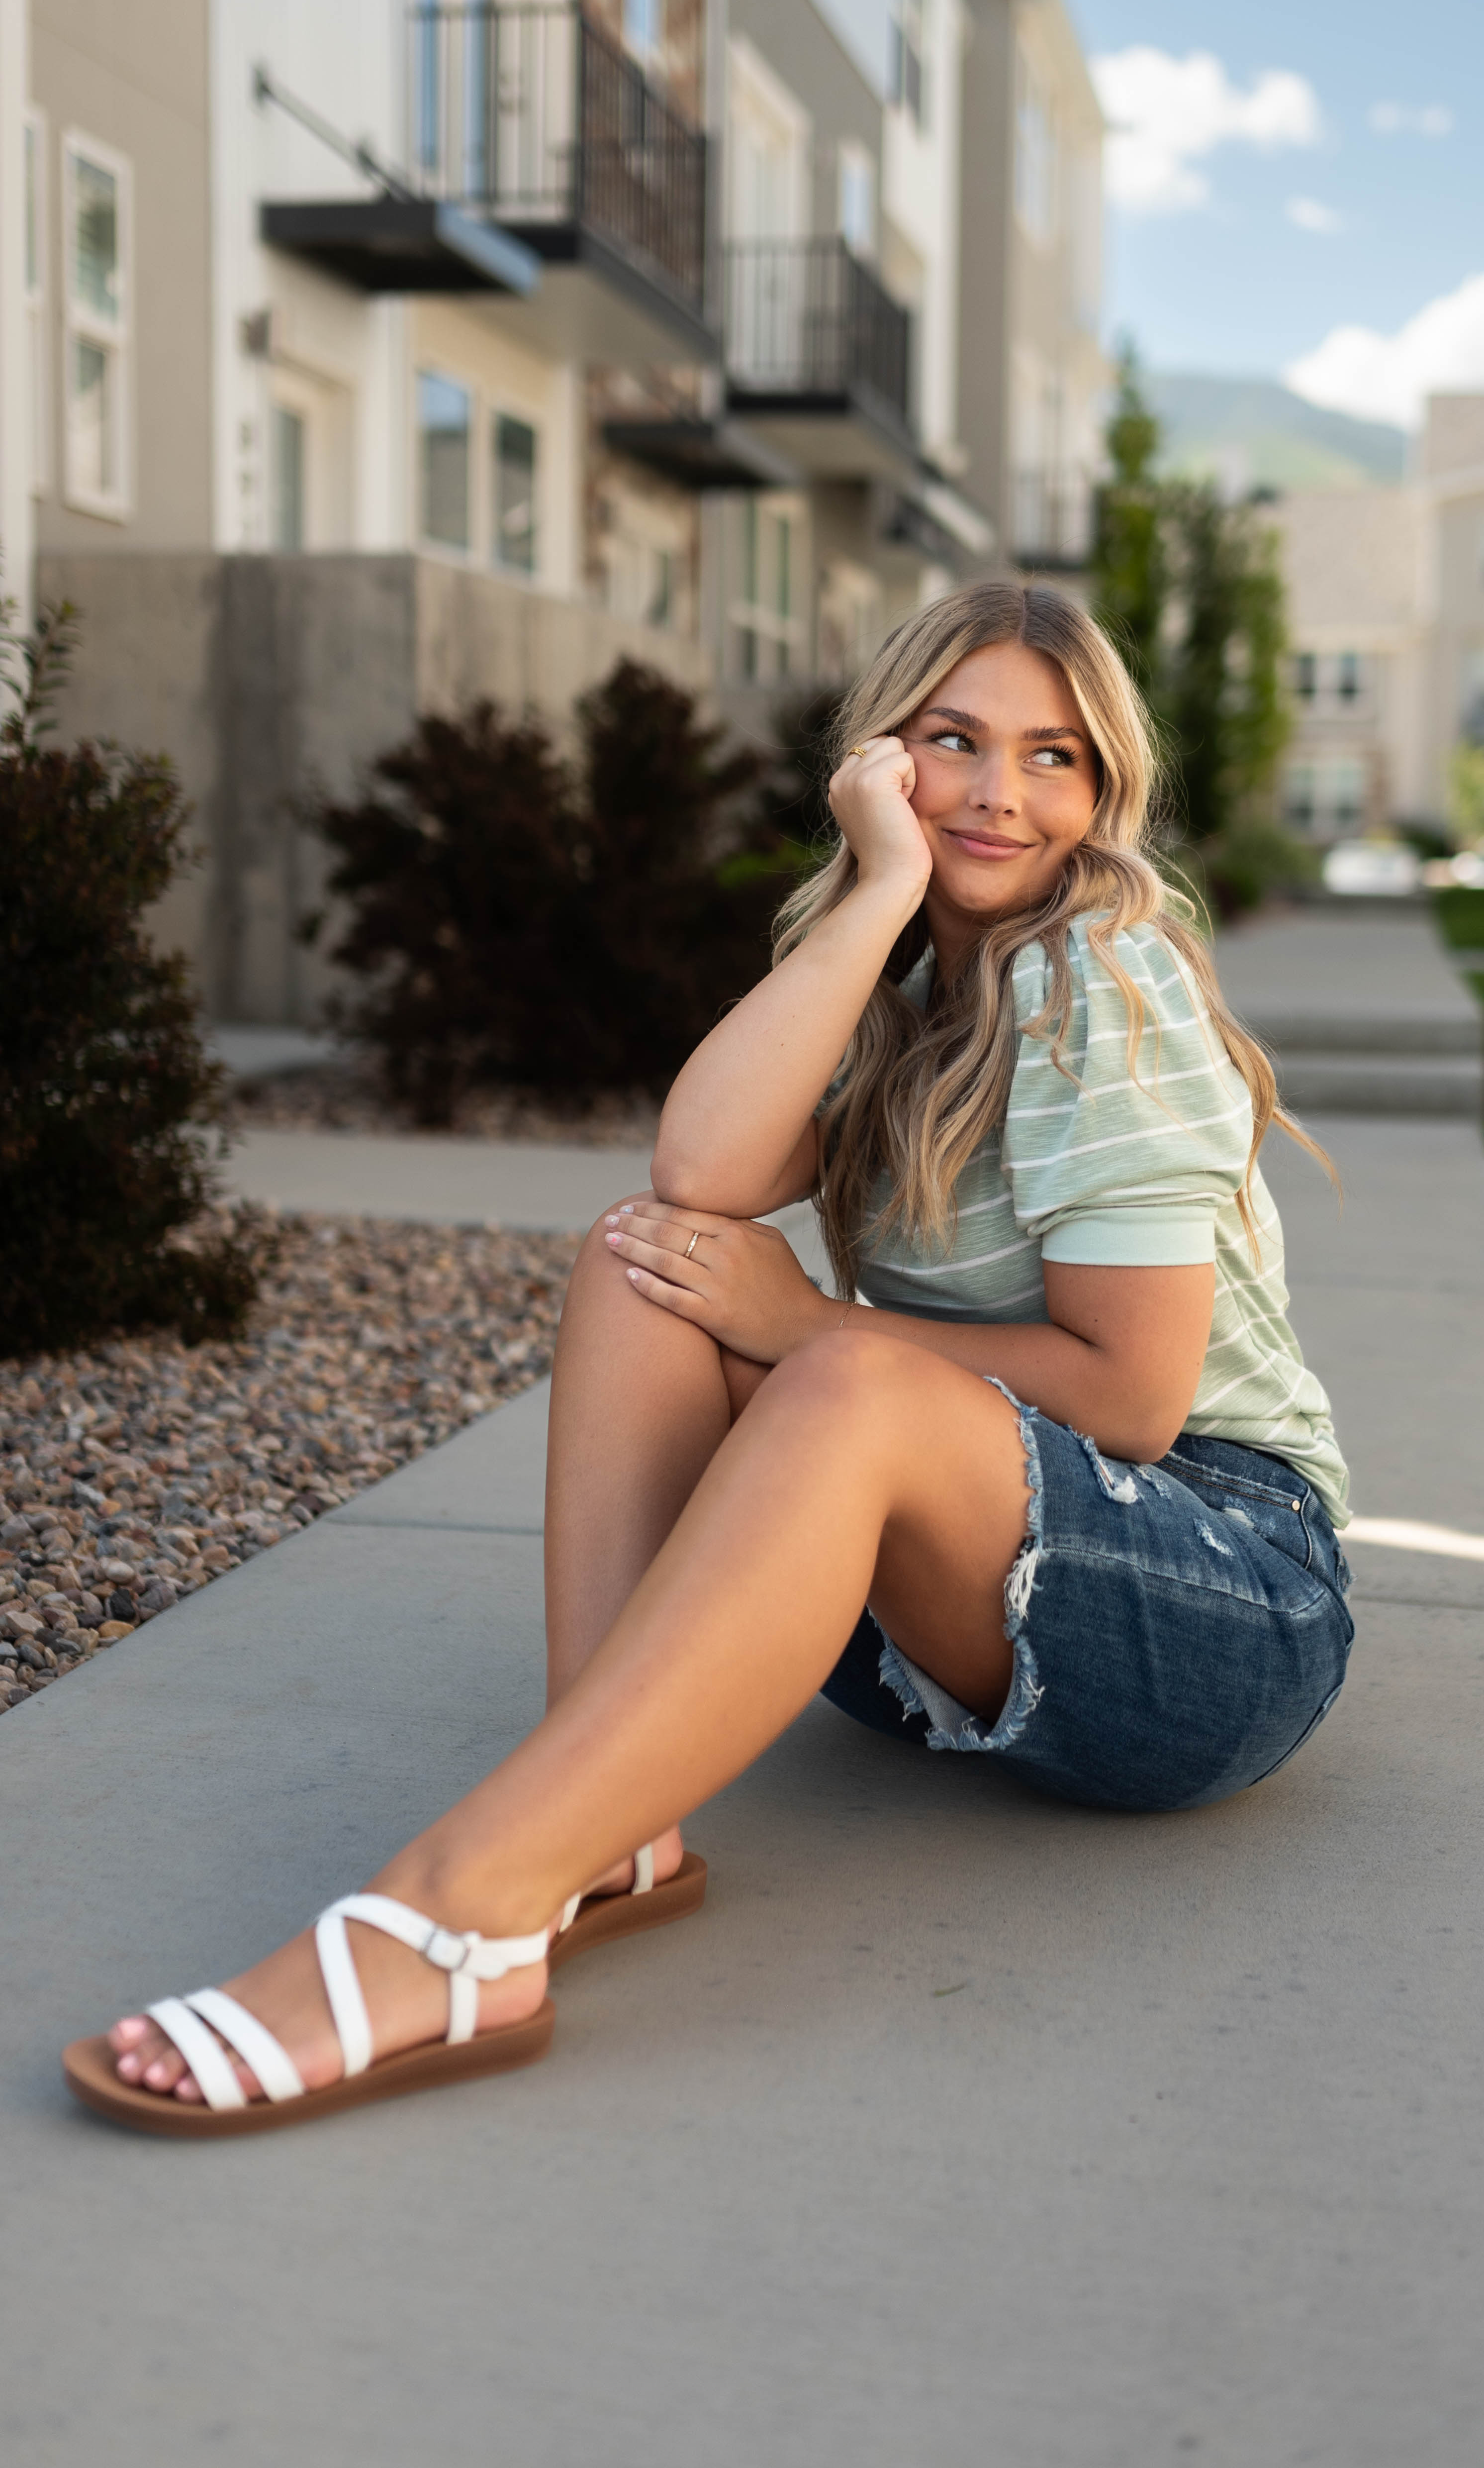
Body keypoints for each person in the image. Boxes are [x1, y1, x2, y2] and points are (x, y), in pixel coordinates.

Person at [65, 582, 1353, 2136]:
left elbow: (1139, 1400)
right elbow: (699, 1170)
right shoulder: (909, 984)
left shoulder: (1104, 971)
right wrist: (878, 897)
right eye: (954, 741)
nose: (1000, 793)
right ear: (879, 756)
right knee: (648, 1264)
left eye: (1054, 755)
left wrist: (816, 1331)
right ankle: (606, 1823)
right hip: (983, 1587)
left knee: (843, 1376)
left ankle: (463, 1910)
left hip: (1219, 1591)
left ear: (1102, 792)